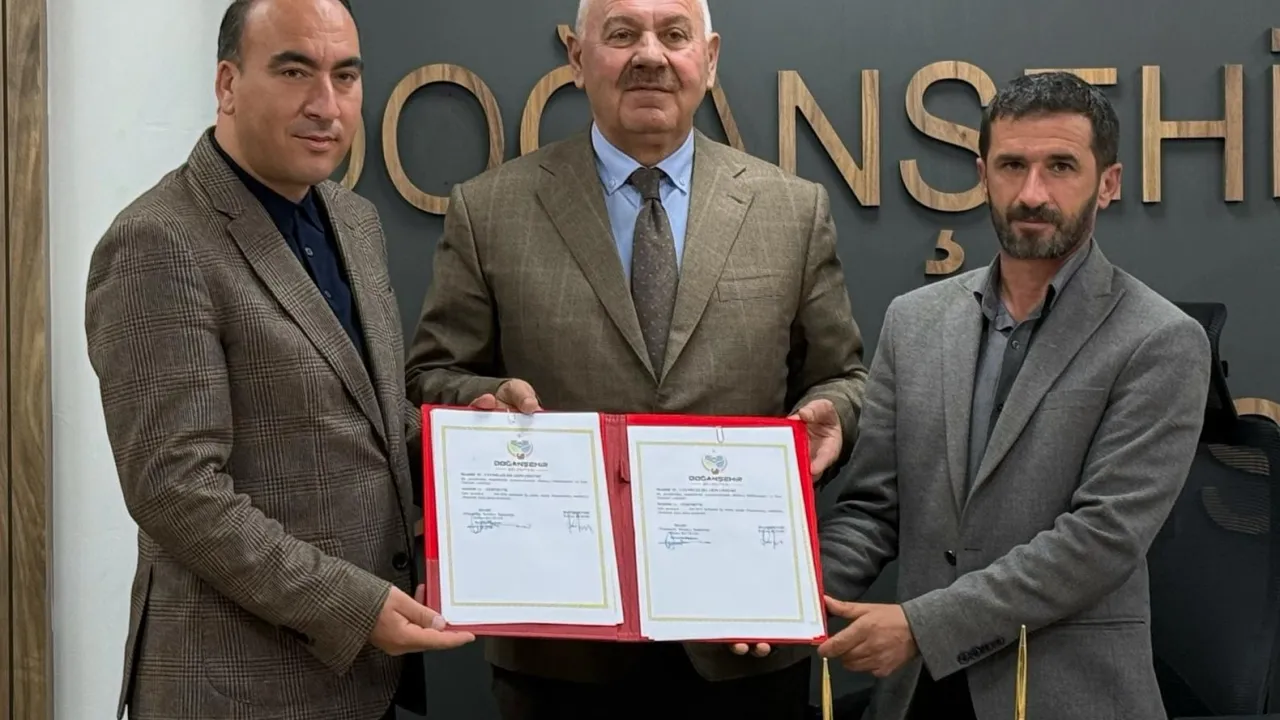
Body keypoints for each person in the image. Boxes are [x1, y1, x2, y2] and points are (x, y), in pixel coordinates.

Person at [402, 0, 867, 715]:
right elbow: (433, 379)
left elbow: (842, 376)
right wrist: (483, 405)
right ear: (575, 56)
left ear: (710, 58)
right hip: (558, 647)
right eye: (622, 34)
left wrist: (834, 411)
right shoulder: (490, 210)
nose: (650, 55)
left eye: (674, 35)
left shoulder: (792, 209)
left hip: (741, 634)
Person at [83, 1, 474, 719]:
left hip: (365, 684)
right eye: (295, 72)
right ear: (227, 84)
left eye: (345, 76)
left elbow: (363, 419)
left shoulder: (352, 219)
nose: (326, 104)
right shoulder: (157, 240)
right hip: (237, 690)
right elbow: (176, 489)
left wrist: (468, 441)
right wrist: (351, 606)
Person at [816, 71, 1211, 720]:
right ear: (983, 175)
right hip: (919, 695)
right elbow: (872, 510)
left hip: (1067, 695)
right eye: (1012, 166)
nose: (1032, 193)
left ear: (1108, 183)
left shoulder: (1160, 339)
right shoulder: (914, 321)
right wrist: (783, 602)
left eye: (1061, 166)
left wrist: (922, 627)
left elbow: (1100, 540)